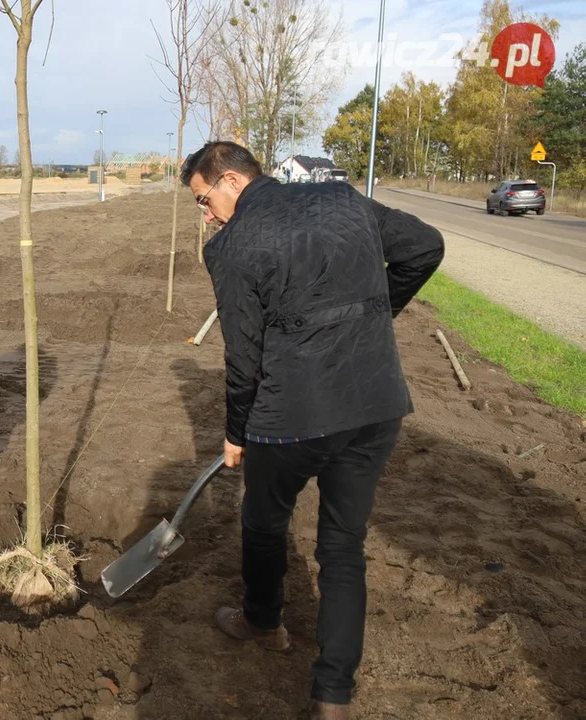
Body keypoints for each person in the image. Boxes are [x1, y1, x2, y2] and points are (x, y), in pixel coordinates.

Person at [180, 142, 444, 719]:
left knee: (264, 519)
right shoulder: (341, 199)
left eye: (204, 200)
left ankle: (263, 621)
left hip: (293, 416)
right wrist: (374, 315)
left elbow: (243, 359)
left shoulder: (231, 246)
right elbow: (426, 246)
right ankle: (333, 696)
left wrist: (235, 433)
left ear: (230, 180)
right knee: (344, 548)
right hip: (376, 403)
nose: (205, 215)